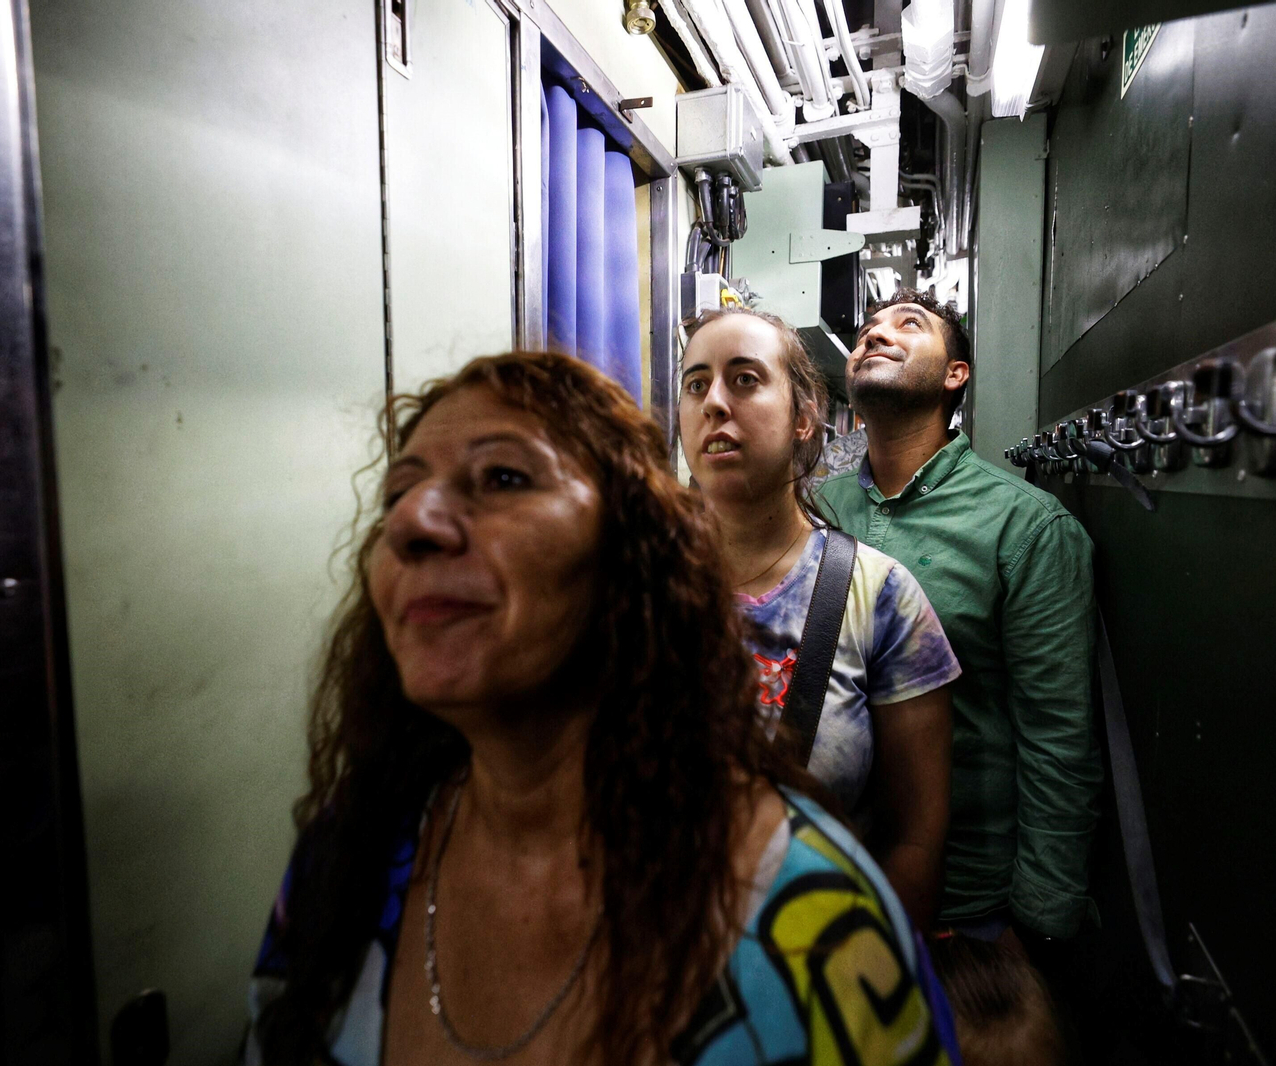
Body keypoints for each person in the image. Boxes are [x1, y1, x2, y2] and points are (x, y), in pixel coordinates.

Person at [244, 351, 957, 1066]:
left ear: (631, 556)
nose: (412, 523)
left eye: (503, 478)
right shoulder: (348, 855)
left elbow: (919, 825)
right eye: (400, 491)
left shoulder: (816, 929)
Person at [814, 290, 1101, 994]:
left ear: (956, 375)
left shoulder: (1024, 527)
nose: (875, 335)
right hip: (824, 884)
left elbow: (1057, 736)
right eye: (867, 330)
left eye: (907, 325)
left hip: (968, 907)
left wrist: (1037, 926)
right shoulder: (817, 509)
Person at [678, 308, 960, 931]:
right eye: (696, 383)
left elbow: (914, 840)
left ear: (805, 418)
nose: (714, 403)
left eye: (746, 379)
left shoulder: (879, 597)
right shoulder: (631, 587)